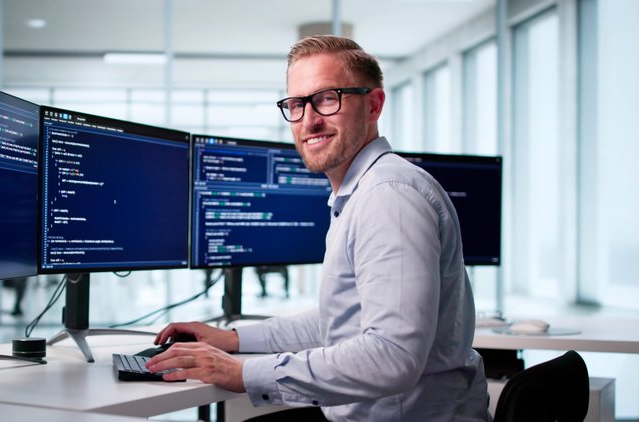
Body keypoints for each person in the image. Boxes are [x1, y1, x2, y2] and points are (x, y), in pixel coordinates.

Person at [147, 35, 490, 421]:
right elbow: (339, 321)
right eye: (296, 104)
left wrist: (241, 372)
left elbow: (392, 357)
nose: (309, 120)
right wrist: (235, 339)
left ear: (373, 105)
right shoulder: (362, 192)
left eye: (328, 98)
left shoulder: (388, 196)